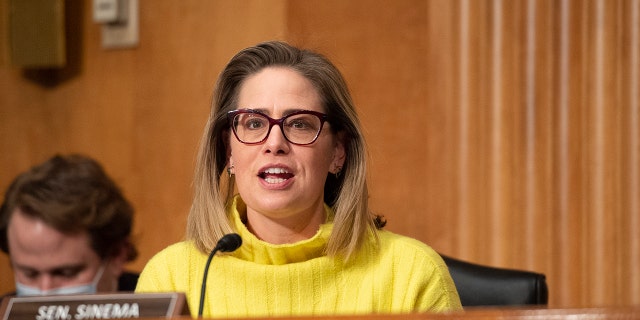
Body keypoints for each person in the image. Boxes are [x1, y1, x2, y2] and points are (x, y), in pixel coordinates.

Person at [135, 41, 462, 317]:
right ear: (228, 150)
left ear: (338, 150)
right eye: (253, 123)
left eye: (299, 124)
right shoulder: (172, 277)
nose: (274, 143)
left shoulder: (410, 275)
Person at [0, 154, 139, 297]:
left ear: (117, 256)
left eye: (66, 273)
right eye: (29, 274)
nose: (45, 292)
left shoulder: (160, 311)